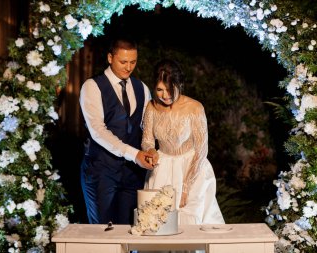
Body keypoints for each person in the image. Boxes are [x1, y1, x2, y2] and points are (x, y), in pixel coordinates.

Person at [79, 35, 154, 225]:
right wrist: (133, 154)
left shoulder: (142, 88)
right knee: (103, 231)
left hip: (132, 174)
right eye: (123, 61)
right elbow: (97, 130)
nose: (128, 67)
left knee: (130, 231)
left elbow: (146, 126)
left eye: (133, 62)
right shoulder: (92, 86)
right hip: (101, 171)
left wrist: (150, 148)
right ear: (110, 58)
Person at [142, 59, 225, 225]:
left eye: (170, 89)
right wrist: (151, 151)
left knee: (189, 223)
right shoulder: (151, 107)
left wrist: (186, 189)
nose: (165, 95)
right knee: (157, 223)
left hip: (192, 169)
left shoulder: (195, 108)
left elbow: (202, 150)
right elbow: (147, 141)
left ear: (179, 84)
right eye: (159, 89)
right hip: (162, 168)